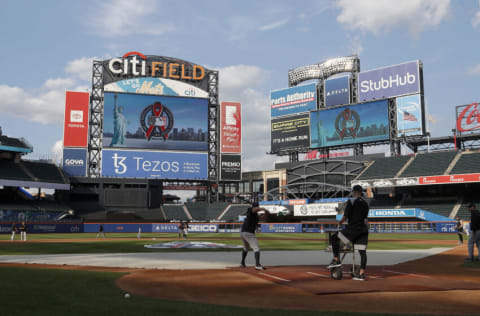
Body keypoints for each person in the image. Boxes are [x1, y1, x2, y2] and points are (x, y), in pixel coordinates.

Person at [328, 185, 369, 281]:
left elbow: (345, 216)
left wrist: (339, 223)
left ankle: (336, 259)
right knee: (362, 252)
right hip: (363, 230)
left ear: (354, 192)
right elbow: (365, 219)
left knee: (334, 238)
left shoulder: (351, 201)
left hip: (353, 229)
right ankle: (361, 274)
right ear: (361, 192)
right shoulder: (366, 203)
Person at [240, 202, 270, 270]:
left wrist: (266, 212)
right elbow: (255, 209)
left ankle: (242, 263)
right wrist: (263, 208)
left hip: (244, 232)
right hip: (248, 233)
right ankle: (257, 265)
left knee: (246, 248)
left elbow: (263, 218)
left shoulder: (255, 215)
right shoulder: (250, 210)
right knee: (256, 248)